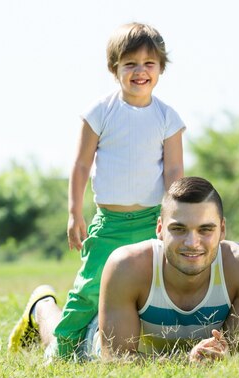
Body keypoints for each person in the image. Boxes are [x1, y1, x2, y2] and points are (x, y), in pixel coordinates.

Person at [11, 22, 186, 359]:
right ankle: (59, 346)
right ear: (114, 68)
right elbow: (80, 166)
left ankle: (136, 343)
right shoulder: (99, 112)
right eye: (130, 64)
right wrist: (75, 212)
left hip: (153, 222)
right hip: (110, 225)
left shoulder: (168, 117)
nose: (140, 71)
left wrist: (173, 217)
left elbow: (175, 171)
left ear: (161, 68)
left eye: (149, 64)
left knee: (151, 289)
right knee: (90, 291)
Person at [9, 177, 239, 362]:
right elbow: (116, 360)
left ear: (222, 230)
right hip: (102, 337)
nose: (192, 243)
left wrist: (223, 355)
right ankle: (41, 304)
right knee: (59, 345)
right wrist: (187, 361)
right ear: (160, 228)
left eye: (206, 229)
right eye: (179, 229)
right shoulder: (126, 264)